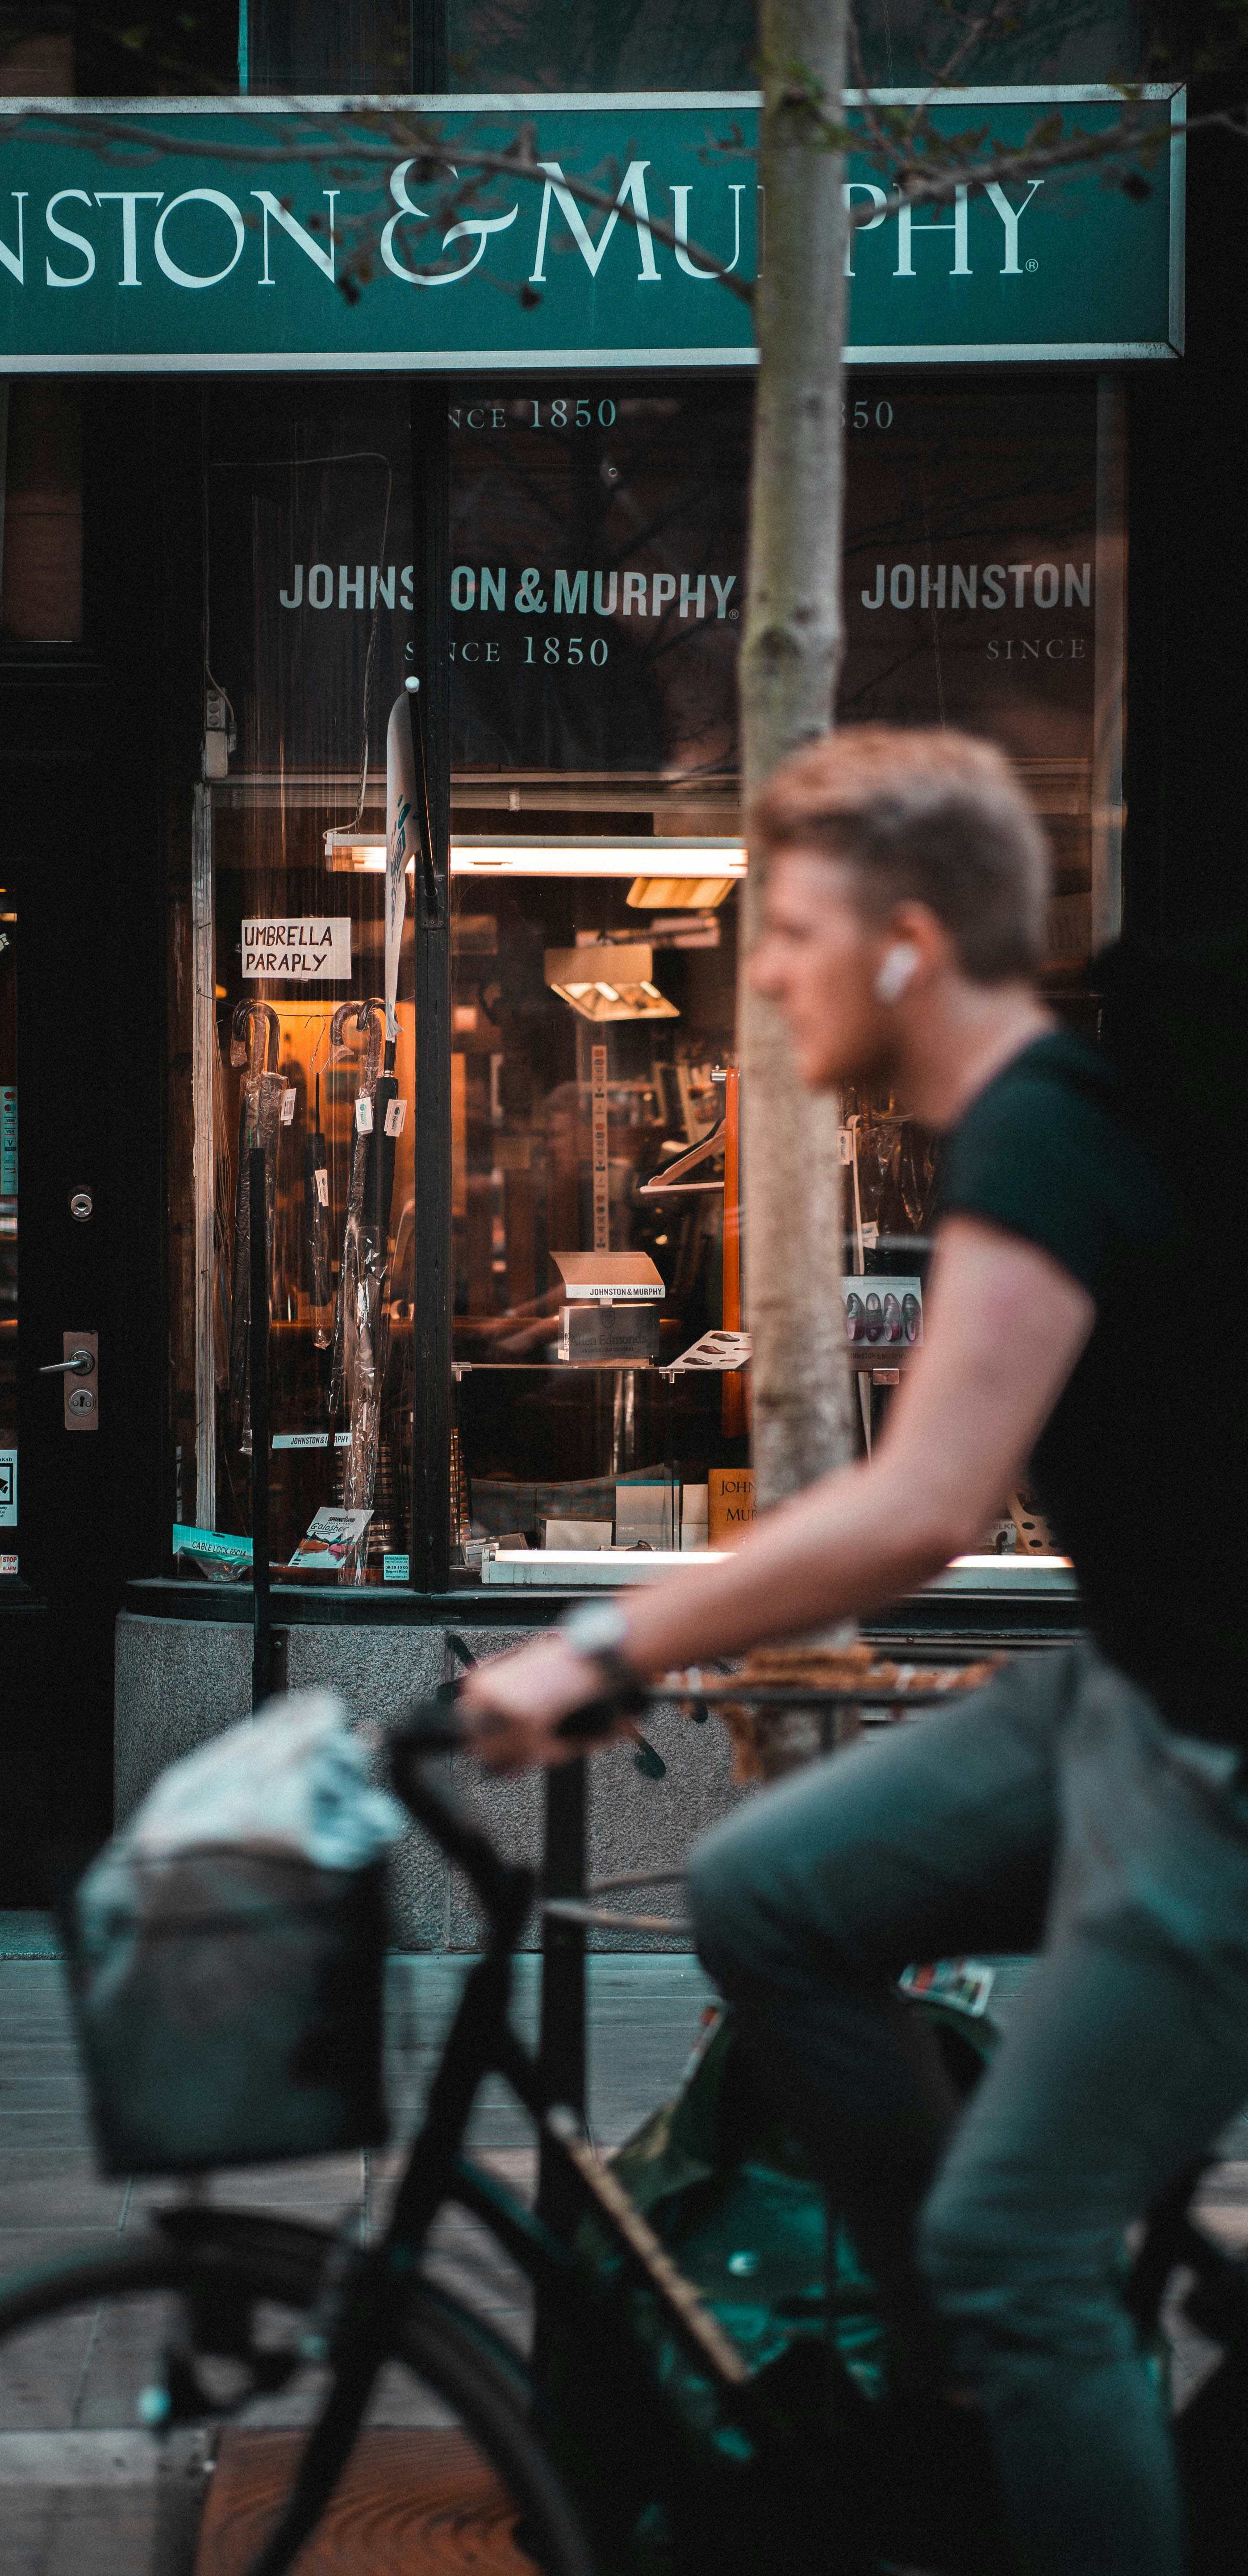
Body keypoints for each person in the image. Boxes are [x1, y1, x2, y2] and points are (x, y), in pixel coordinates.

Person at [459, 726, 1248, 2576]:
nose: (764, 980)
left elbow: (919, 1509)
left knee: (1018, 2253)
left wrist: (609, 1642)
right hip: (1115, 1699)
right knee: (765, 1891)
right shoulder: (1021, 1127)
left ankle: (995, 2326)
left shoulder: (1043, 1131)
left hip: (1214, 1756)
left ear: (905, 942)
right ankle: (952, 2354)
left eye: (793, 935)